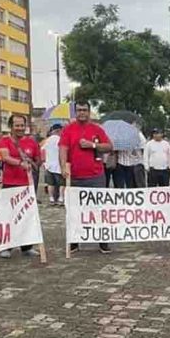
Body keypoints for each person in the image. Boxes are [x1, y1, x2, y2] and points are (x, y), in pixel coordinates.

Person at [59, 100, 113, 254]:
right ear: (75, 112)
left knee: (99, 209)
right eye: (79, 110)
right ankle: (75, 241)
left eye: (84, 110)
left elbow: (109, 146)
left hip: (96, 176)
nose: (81, 113)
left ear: (89, 112)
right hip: (75, 176)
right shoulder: (68, 130)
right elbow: (63, 148)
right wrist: (63, 166)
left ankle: (103, 241)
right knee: (74, 210)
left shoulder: (97, 129)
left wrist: (93, 145)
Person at [0, 115, 41, 258]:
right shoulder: (4, 141)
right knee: (9, 216)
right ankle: (7, 247)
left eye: (22, 125)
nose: (20, 128)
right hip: (10, 184)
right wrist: (20, 163)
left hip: (27, 185)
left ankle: (26, 247)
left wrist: (35, 163)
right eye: (17, 125)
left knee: (27, 216)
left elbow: (38, 160)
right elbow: (5, 157)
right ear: (11, 126)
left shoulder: (32, 142)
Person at [42, 124, 64, 205]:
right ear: (59, 130)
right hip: (59, 165)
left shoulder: (46, 140)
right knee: (62, 183)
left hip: (48, 165)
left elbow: (42, 150)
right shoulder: (61, 139)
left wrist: (44, 162)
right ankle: (61, 198)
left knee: (50, 184)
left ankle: (51, 199)